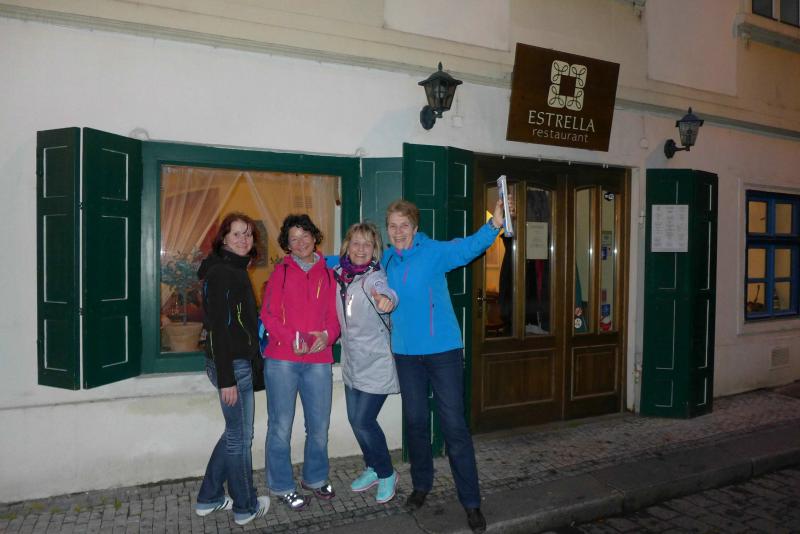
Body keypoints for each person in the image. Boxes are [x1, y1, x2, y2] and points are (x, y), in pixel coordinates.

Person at [381, 197, 510, 534]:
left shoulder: (433, 251)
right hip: (406, 355)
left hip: (443, 352)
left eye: (404, 225)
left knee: (453, 426)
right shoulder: (386, 260)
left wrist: (494, 225)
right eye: (392, 226)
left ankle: (471, 502)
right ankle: (422, 484)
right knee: (416, 422)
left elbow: (467, 248)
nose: (398, 231)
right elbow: (353, 262)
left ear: (415, 227)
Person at [260, 214, 341, 510]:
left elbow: (335, 318)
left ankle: (315, 478)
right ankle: (282, 485)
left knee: (319, 426)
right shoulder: (280, 273)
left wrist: (327, 336)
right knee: (280, 426)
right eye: (293, 238)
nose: (300, 242)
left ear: (314, 237)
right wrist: (291, 338)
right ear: (288, 244)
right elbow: (268, 315)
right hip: (282, 359)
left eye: (304, 235)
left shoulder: (329, 274)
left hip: (319, 359)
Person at [195, 212, 270, 526]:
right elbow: (219, 330)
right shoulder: (224, 273)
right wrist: (227, 379)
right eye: (236, 233)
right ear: (223, 238)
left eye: (248, 234)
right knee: (240, 438)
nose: (244, 239)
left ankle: (209, 496)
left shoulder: (230, 268)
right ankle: (245, 506)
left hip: (232, 364)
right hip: (232, 366)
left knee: (235, 434)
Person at [328, 222, 400, 503]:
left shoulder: (374, 277)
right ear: (347, 246)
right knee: (355, 421)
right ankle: (372, 467)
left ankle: (387, 473)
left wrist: (387, 299)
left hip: (376, 362)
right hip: (352, 363)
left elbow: (384, 291)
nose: (361, 249)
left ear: (375, 249)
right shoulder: (339, 274)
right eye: (356, 243)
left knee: (363, 420)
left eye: (367, 244)